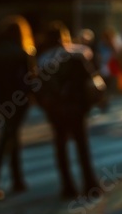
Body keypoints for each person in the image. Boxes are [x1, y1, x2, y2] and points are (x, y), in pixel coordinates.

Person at [36, 22, 104, 199]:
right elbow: (90, 80)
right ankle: (90, 184)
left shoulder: (43, 60)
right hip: (76, 106)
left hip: (56, 109)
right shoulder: (76, 55)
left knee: (60, 146)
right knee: (82, 145)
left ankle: (68, 187)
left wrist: (47, 106)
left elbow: (39, 88)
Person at [0, 16, 37, 201]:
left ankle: (17, 180)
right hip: (17, 104)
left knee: (11, 139)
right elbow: (30, 82)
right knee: (6, 141)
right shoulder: (22, 54)